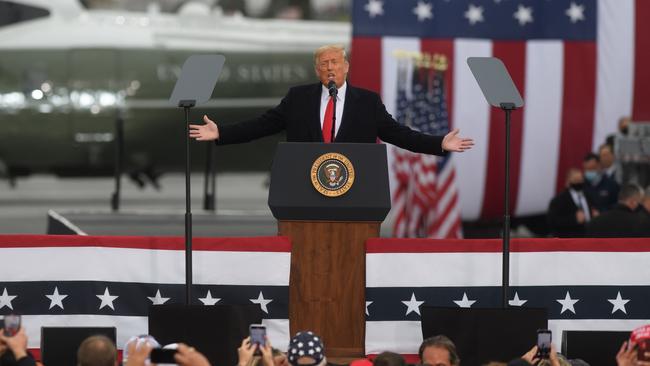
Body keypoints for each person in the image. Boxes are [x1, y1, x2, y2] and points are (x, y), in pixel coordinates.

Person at [189, 45, 474, 156]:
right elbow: (262, 126)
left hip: (354, 194)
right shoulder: (298, 99)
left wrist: (438, 143)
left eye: (335, 63)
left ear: (346, 66)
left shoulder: (367, 103)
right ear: (316, 70)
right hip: (304, 191)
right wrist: (221, 133)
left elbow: (400, 135)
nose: (329, 68)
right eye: (323, 64)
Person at [547, 169, 598, 237]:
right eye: (576, 180)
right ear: (568, 182)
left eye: (580, 180)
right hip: (570, 239)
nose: (579, 182)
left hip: (589, 237)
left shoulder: (588, 195)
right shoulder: (558, 200)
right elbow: (552, 221)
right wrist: (573, 219)